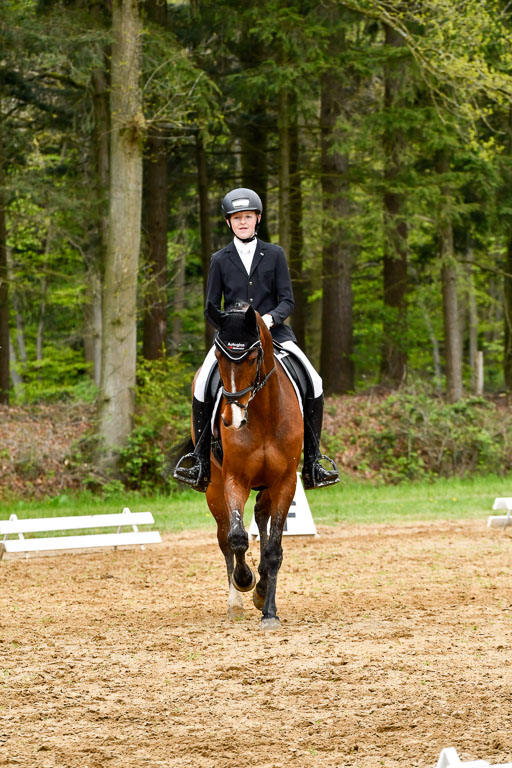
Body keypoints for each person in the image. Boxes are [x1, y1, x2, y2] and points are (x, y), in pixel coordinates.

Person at [174, 187, 339, 493]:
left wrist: (268, 320)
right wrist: (229, 326)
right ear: (229, 223)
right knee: (200, 385)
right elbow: (211, 307)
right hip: (233, 342)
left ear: (257, 219)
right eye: (237, 218)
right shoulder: (219, 259)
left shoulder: (274, 254)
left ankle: (314, 460)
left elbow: (287, 300)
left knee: (314, 380)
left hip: (274, 334)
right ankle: (199, 461)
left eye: (247, 217)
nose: (242, 222)